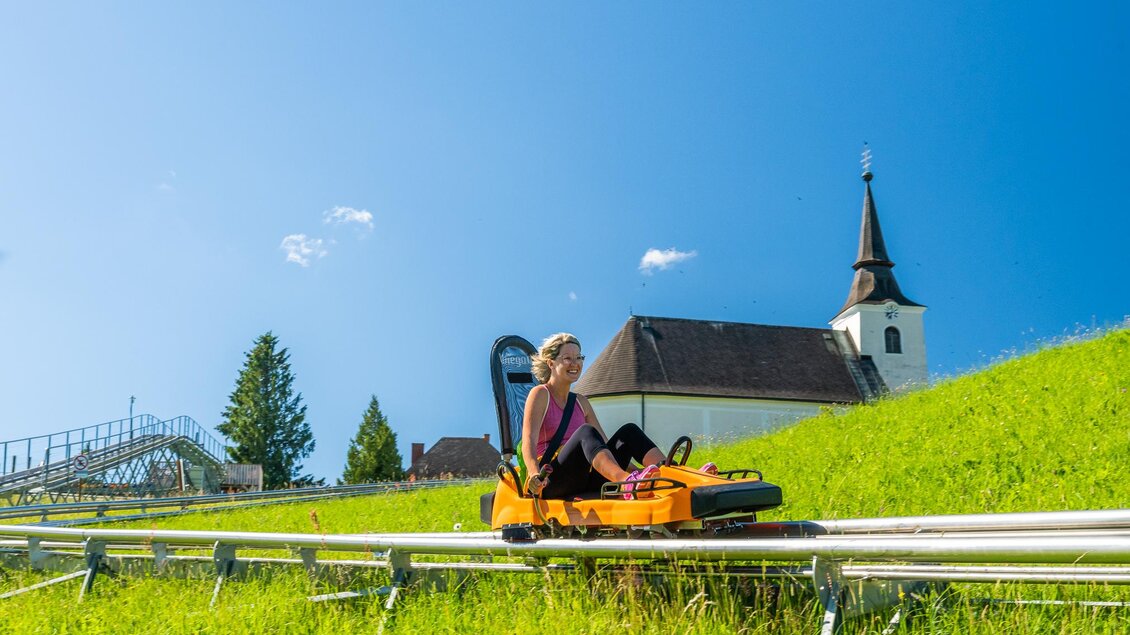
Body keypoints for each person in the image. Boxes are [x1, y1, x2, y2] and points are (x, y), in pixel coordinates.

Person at [522, 333, 716, 500]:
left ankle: (679, 476)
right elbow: (528, 443)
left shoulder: (581, 402)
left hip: (586, 478)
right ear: (551, 363)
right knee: (585, 432)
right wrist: (533, 475)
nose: (575, 364)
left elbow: (604, 448)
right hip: (552, 481)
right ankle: (626, 484)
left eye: (579, 358)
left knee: (628, 432)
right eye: (567, 359)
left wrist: (639, 473)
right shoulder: (540, 394)